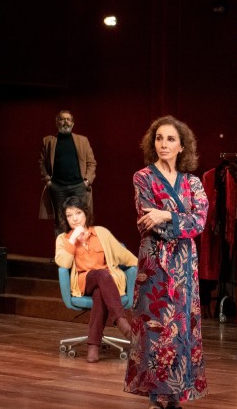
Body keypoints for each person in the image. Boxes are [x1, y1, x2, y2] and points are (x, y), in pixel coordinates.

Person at [124, 115, 209, 409]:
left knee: (181, 327)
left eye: (170, 139)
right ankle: (155, 396)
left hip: (184, 263)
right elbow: (148, 221)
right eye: (159, 138)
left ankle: (175, 394)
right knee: (155, 327)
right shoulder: (143, 178)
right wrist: (173, 220)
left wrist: (166, 215)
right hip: (155, 262)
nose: (164, 144)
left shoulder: (192, 182)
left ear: (182, 146)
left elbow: (199, 222)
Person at [54, 196, 137, 363]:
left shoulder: (101, 233)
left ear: (85, 213)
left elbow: (124, 256)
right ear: (65, 219)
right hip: (84, 282)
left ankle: (93, 346)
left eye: (78, 213)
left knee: (100, 290)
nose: (75, 218)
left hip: (106, 283)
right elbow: (64, 263)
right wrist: (72, 239)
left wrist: (145, 267)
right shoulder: (63, 239)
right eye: (69, 215)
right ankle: (121, 321)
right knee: (101, 274)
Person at [39, 109, 97, 237]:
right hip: (58, 187)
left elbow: (91, 162)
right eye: (62, 119)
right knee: (60, 222)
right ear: (57, 122)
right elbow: (42, 163)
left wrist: (87, 181)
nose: (66, 122)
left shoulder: (82, 140)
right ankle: (62, 249)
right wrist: (48, 181)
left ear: (73, 123)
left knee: (80, 220)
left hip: (78, 187)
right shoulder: (48, 141)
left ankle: (80, 249)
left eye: (68, 119)